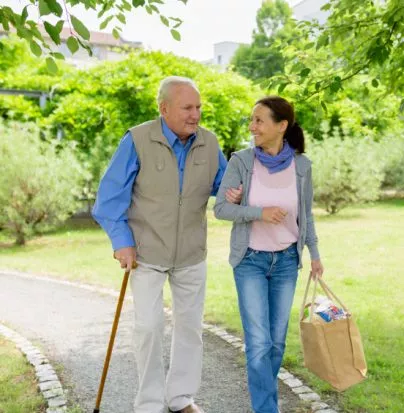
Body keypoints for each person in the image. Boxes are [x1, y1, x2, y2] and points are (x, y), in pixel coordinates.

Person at [92, 76, 239, 413]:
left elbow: (224, 183)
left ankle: (181, 398)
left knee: (190, 328)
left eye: (198, 107)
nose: (195, 114)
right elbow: (109, 199)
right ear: (164, 108)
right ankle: (149, 403)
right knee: (148, 327)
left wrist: (236, 191)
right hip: (146, 252)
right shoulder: (138, 139)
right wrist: (122, 243)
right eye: (188, 107)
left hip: (191, 253)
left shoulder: (209, 142)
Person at [214, 96, 324, 413]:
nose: (252, 126)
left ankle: (266, 402)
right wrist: (258, 212)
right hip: (250, 260)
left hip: (287, 261)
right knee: (259, 343)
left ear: (282, 126)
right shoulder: (241, 162)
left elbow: (307, 215)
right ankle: (266, 409)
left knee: (276, 343)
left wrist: (314, 253)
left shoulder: (302, 167)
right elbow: (221, 209)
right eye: (252, 120)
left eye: (259, 120)